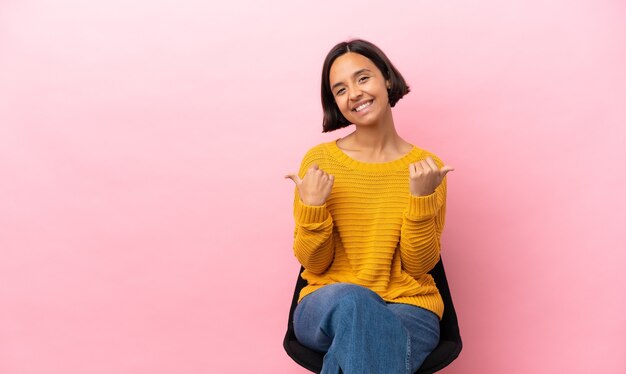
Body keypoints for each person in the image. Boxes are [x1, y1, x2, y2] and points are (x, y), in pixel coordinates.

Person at [285, 39, 454, 374]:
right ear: (335, 102)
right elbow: (314, 263)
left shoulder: (426, 167)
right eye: (341, 89)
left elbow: (420, 267)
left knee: (363, 342)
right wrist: (313, 208)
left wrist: (421, 200)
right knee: (356, 304)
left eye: (363, 78)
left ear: (387, 79)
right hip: (327, 302)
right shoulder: (319, 162)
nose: (355, 94)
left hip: (409, 307)